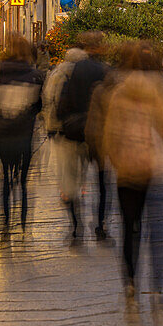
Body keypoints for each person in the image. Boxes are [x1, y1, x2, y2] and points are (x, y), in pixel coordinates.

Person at [97, 40, 163, 326]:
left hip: (128, 170)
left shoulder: (118, 94)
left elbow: (108, 136)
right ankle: (157, 296)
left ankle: (131, 290)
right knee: (159, 235)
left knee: (131, 231)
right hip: (159, 169)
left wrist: (116, 160)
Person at [57, 31, 112, 242]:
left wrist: (63, 121)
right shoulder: (105, 70)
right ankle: (100, 224)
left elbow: (66, 99)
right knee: (102, 181)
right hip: (98, 132)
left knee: (74, 178)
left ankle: (76, 225)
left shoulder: (77, 69)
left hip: (76, 130)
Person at [0, 35, 44, 244]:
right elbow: (39, 105)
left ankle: (5, 227)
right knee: (22, 182)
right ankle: (22, 225)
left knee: (5, 182)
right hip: (24, 134)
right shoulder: (34, 74)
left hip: (3, 133)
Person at [42, 46, 89, 244]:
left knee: (66, 172)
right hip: (84, 129)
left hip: (62, 130)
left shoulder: (57, 73)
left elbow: (48, 99)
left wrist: (49, 124)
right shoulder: (86, 74)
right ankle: (82, 184)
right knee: (82, 165)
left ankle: (75, 218)